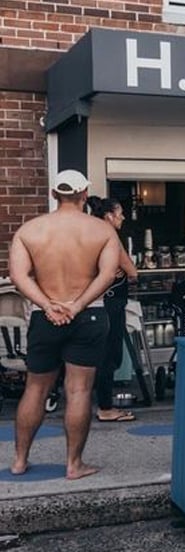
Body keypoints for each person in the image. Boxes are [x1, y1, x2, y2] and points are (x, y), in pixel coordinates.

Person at [9, 170, 121, 480]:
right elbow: (107, 275)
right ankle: (74, 465)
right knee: (79, 390)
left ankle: (19, 461)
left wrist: (47, 305)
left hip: (47, 317)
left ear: (54, 194)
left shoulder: (29, 231)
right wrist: (78, 305)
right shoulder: (102, 231)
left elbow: (18, 277)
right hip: (89, 316)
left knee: (35, 387)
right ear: (85, 193)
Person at [92, 198, 139, 423]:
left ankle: (98, 403)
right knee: (109, 356)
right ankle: (105, 407)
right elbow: (132, 271)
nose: (123, 217)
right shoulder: (110, 236)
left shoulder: (91, 234)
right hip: (111, 302)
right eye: (120, 213)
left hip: (93, 303)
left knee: (97, 355)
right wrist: (123, 267)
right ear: (109, 215)